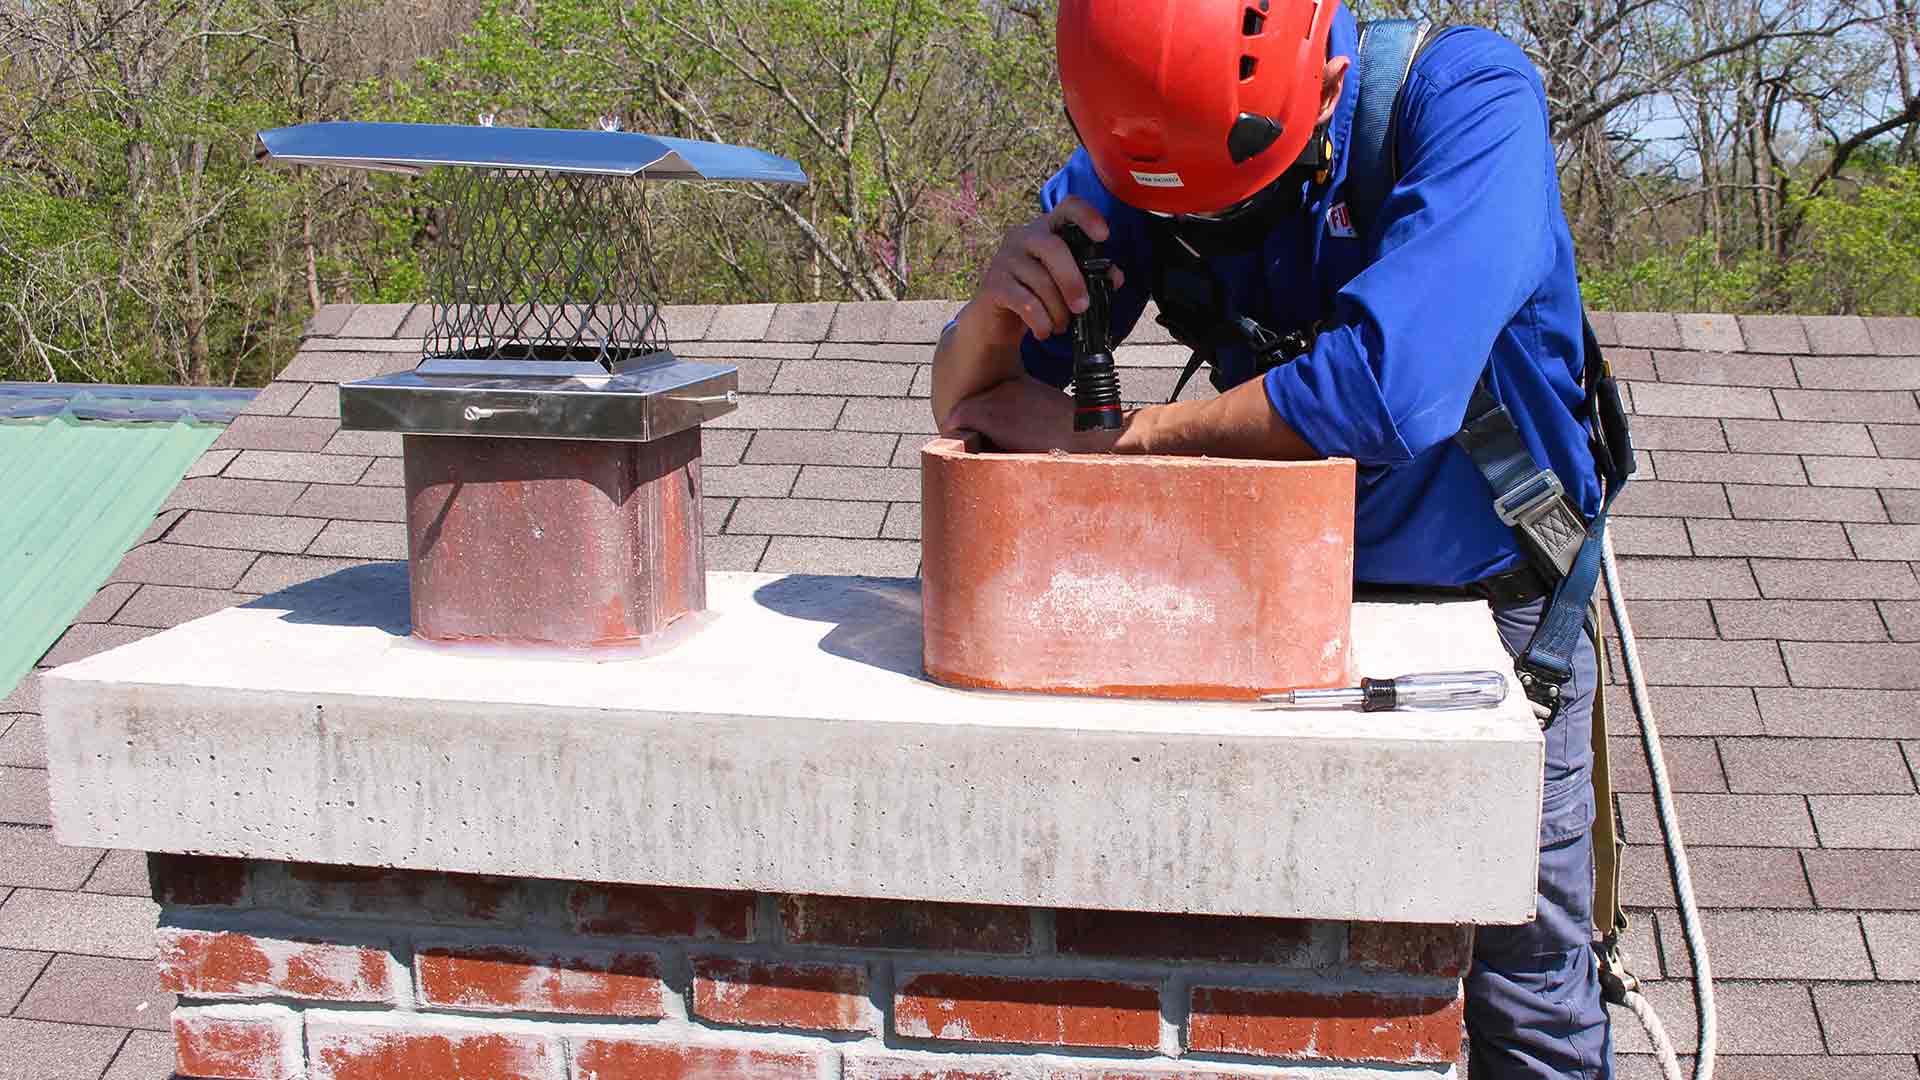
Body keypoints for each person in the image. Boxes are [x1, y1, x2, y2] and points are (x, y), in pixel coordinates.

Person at [929, 1, 1611, 1077]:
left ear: (1326, 89)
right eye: (1192, 218)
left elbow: (1392, 389)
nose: (1211, 229)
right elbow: (987, 416)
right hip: (1281, 592)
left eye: (1237, 208)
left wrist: (1131, 440)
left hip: (1491, 601)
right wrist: (990, 321)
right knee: (1287, 951)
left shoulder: (1465, 99)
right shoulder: (1151, 144)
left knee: (1521, 984)